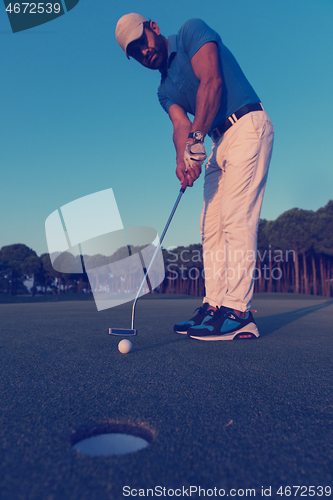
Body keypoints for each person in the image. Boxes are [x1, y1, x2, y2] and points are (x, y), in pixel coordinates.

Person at [115, 14, 274, 341]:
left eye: (141, 42)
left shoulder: (191, 32)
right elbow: (180, 126)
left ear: (153, 28)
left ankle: (239, 312)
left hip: (246, 125)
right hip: (217, 141)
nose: (143, 53)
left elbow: (211, 81)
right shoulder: (163, 90)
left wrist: (196, 140)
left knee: (235, 218)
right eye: (134, 53)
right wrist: (183, 160)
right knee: (210, 226)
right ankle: (214, 306)